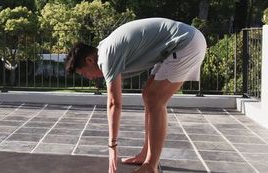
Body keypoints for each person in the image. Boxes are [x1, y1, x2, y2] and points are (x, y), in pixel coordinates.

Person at [65, 18, 206, 173]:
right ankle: (146, 155)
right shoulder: (105, 49)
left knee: (155, 99)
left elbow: (114, 103)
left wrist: (112, 146)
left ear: (90, 60)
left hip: (186, 43)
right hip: (178, 44)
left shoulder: (106, 57)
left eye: (85, 73)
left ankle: (150, 167)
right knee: (148, 95)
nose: (89, 77)